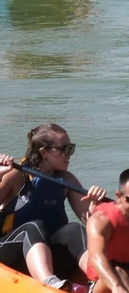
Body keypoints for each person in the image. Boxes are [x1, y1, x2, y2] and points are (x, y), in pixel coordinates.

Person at [0, 124, 104, 289]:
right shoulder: (16, 175)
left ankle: (98, 280)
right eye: (65, 149)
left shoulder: (66, 180)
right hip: (10, 254)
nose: (69, 154)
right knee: (34, 227)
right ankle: (49, 283)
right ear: (44, 152)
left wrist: (95, 204)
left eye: (71, 148)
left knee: (75, 229)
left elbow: (92, 223)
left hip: (48, 255)